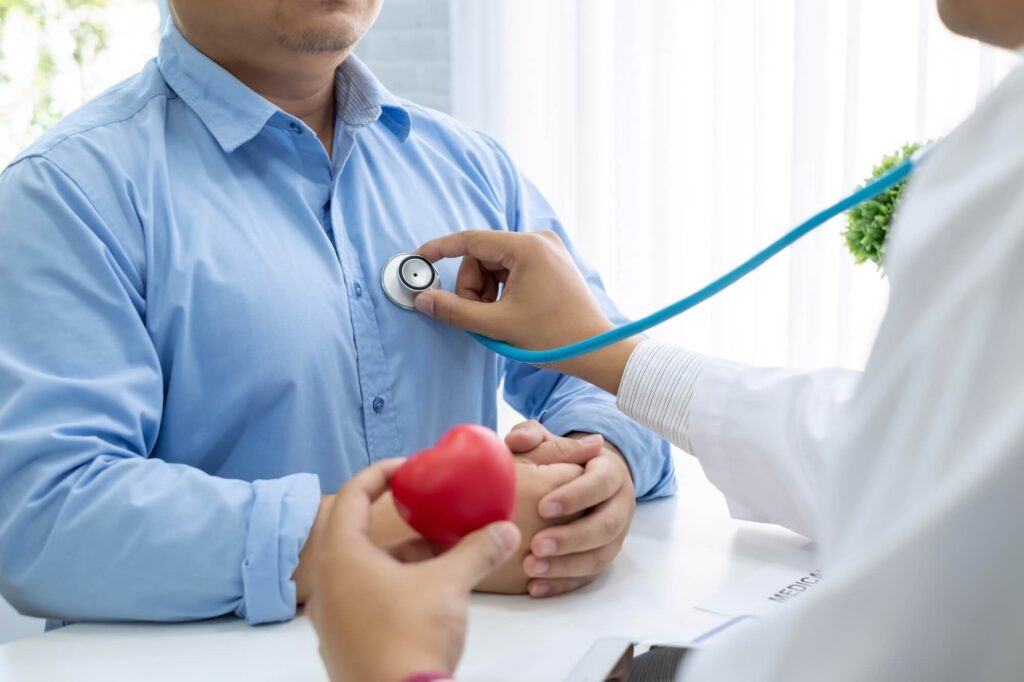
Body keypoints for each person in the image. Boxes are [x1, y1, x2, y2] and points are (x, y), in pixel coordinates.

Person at [303, 0, 1024, 679]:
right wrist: (352, 532)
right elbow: (884, 449)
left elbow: (917, 620)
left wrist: (595, 466)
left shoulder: (469, 166)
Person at [0, 0, 674, 626]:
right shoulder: (67, 195)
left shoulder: (471, 168)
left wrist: (595, 468)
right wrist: (396, 532)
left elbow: (611, 376)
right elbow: (45, 519)